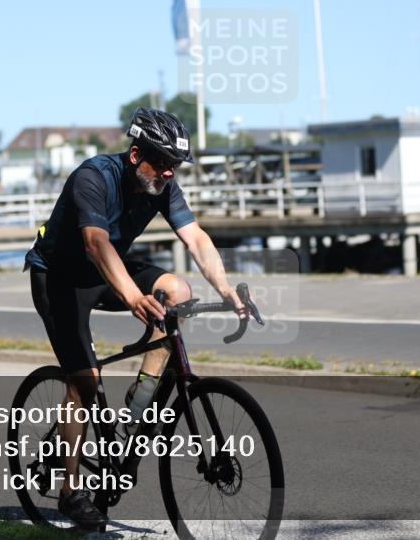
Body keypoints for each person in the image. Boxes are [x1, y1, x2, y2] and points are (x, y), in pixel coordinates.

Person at [24, 107, 250, 530]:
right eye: (162, 163)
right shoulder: (92, 178)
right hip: (59, 277)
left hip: (108, 269)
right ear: (134, 155)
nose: (168, 174)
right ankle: (71, 493)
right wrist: (132, 296)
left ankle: (141, 396)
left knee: (177, 292)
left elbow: (196, 238)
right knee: (85, 381)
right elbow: (94, 242)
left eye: (175, 167)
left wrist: (225, 290)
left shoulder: (163, 186)